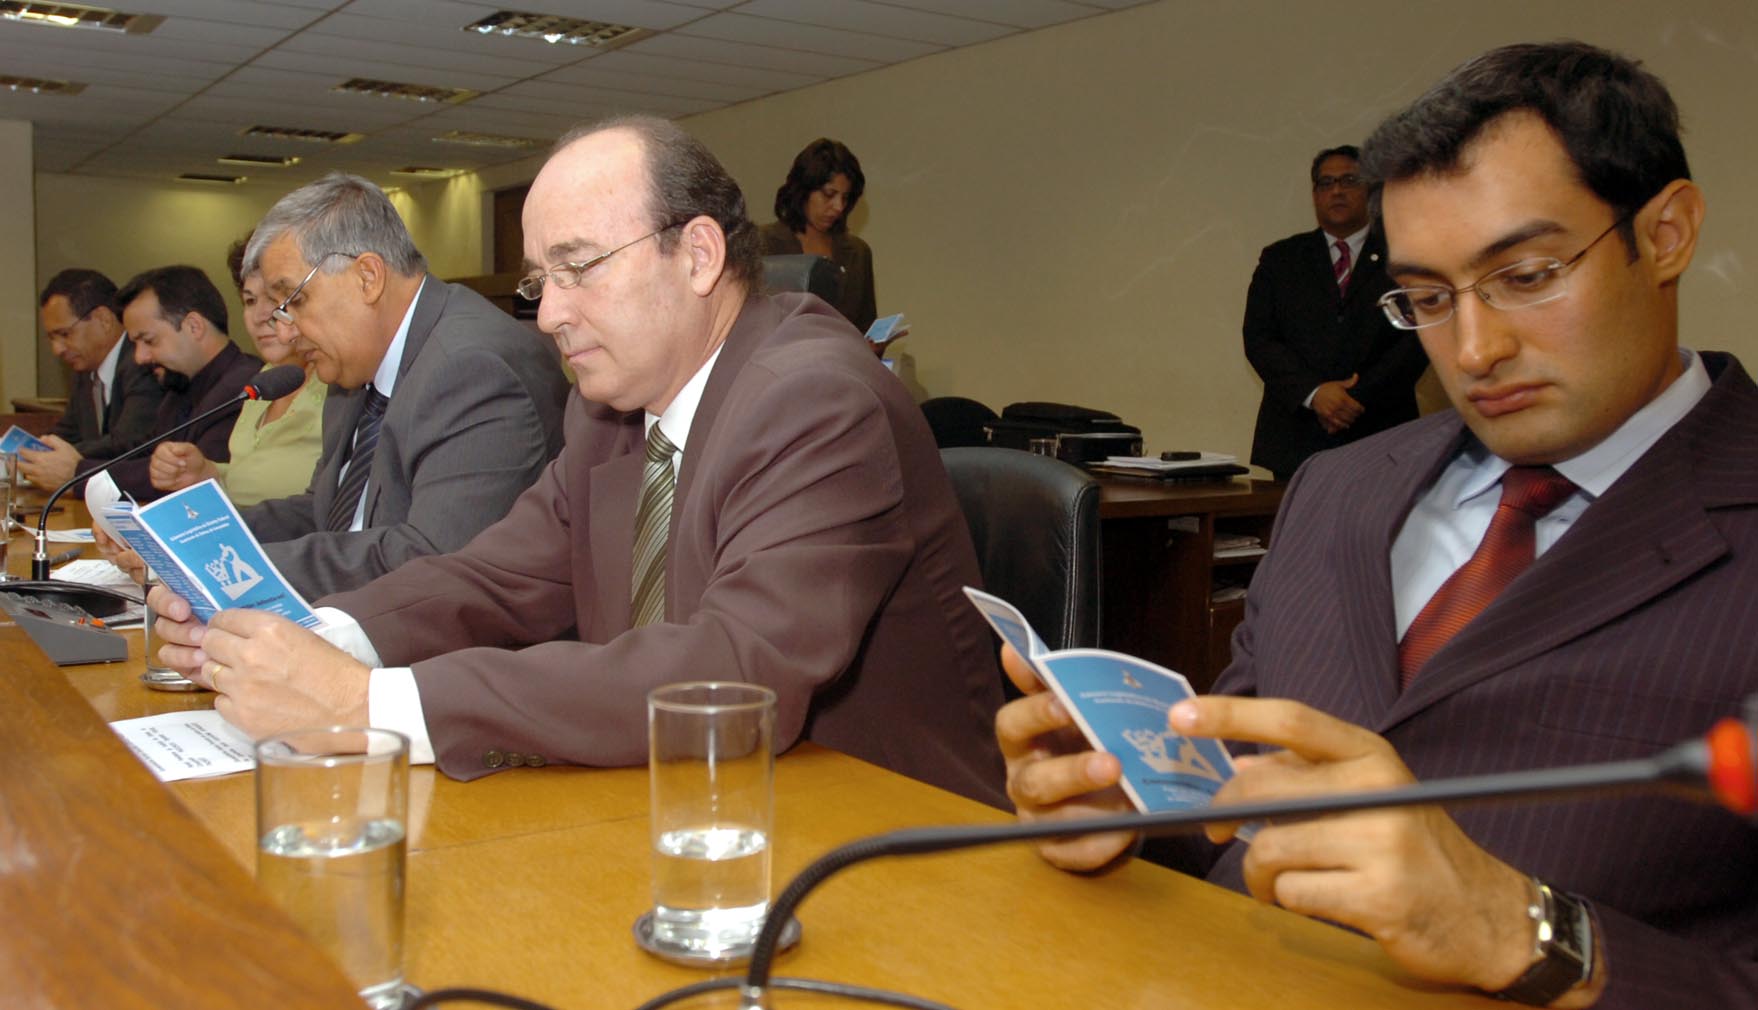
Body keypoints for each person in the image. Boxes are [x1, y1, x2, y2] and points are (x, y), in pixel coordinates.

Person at [998, 41, 1756, 1009]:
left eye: (1527, 275)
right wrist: (1128, 810)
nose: (1473, 349)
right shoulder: (1338, 488)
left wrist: (1527, 932)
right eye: (1428, 299)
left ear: (1667, 233)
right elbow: (1234, 802)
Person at [149, 115, 1007, 807]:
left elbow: (729, 675)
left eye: (579, 268)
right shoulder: (609, 407)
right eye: (539, 282)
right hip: (680, 801)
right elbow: (495, 578)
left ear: (698, 255)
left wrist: (364, 705)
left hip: (890, 836)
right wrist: (313, 638)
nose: (550, 314)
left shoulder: (815, 397)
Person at [231, 172, 570, 598]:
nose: (284, 332)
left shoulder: (472, 367)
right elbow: (326, 514)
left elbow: (434, 561)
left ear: (367, 277)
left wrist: (242, 569)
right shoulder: (351, 366)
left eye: (294, 301)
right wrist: (209, 539)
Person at [1242, 145, 1430, 480]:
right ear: (1315, 195)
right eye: (1326, 183)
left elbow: (1419, 338)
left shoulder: (1406, 254)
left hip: (1382, 432)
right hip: (1297, 438)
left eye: (1349, 181)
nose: (1337, 191)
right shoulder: (1281, 259)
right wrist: (1315, 394)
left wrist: (1350, 400)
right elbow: (1260, 339)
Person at [38, 266, 262, 502]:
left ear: (194, 327)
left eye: (149, 341)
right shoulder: (179, 388)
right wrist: (70, 465)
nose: (139, 357)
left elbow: (180, 477)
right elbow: (142, 454)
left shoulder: (244, 390)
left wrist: (79, 475)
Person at [148, 235, 327, 506]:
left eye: (274, 298)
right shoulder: (264, 379)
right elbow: (250, 478)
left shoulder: (338, 380)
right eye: (250, 301)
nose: (260, 316)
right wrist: (208, 473)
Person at [21, 269, 163, 489]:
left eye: (65, 334)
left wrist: (65, 462)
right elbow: (68, 432)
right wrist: (25, 452)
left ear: (104, 319)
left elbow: (128, 441)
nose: (57, 349)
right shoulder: (85, 371)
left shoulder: (144, 363)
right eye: (51, 338)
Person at [759, 138, 878, 334]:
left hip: (843, 352)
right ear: (803, 191)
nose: (838, 207)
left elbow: (865, 324)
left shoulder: (858, 253)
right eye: (829, 194)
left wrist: (871, 344)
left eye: (845, 198)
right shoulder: (762, 244)